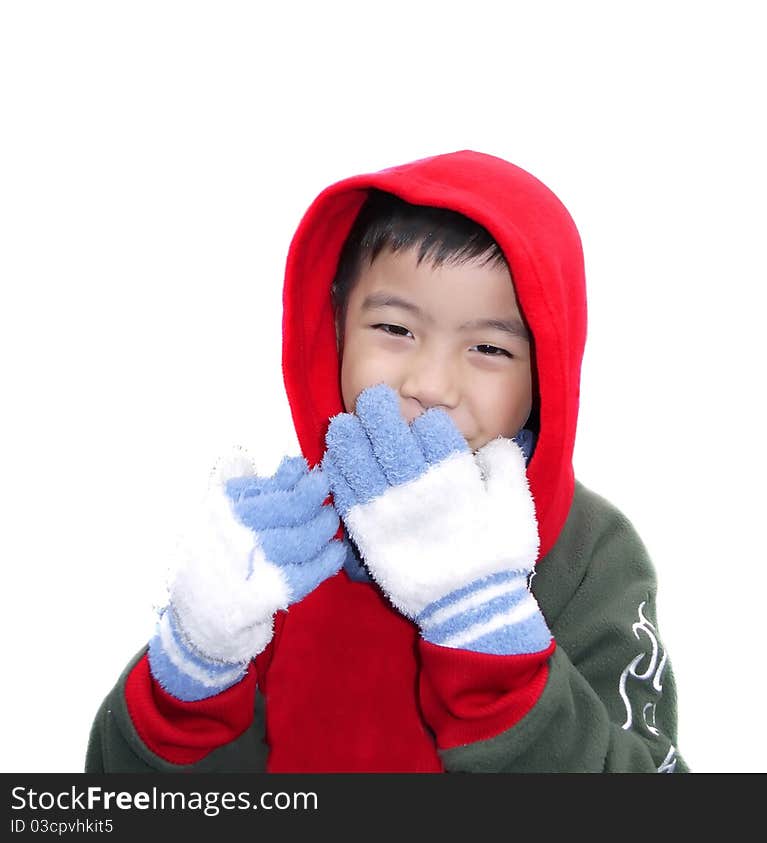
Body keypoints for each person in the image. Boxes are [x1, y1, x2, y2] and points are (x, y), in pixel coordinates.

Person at [85, 149, 688, 773]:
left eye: (487, 347)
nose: (429, 383)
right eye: (396, 330)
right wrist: (197, 664)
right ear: (337, 328)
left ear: (546, 374)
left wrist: (485, 628)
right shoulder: (282, 543)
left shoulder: (587, 554)